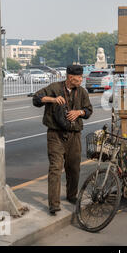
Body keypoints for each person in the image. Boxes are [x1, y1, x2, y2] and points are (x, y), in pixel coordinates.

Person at [32, 65, 93, 215]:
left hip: (74, 135)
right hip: (55, 135)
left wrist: (79, 112)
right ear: (70, 77)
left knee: (74, 167)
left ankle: (72, 195)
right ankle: (54, 204)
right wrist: (52, 99)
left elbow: (89, 110)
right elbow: (36, 99)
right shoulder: (54, 87)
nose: (81, 79)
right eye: (79, 77)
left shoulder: (82, 92)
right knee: (55, 168)